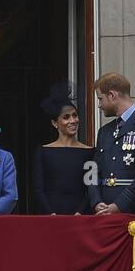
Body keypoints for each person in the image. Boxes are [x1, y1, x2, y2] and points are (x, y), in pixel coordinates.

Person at [89, 72, 135, 215]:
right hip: (105, 212)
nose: (99, 105)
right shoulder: (105, 132)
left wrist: (120, 205)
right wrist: (96, 201)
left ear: (112, 95)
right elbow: (93, 170)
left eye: (100, 99)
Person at [32, 82, 94, 214]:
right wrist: (50, 213)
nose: (73, 120)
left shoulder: (89, 152)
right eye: (66, 117)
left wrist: (81, 212)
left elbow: (92, 187)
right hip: (51, 219)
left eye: (75, 115)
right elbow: (38, 189)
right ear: (55, 123)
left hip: (81, 218)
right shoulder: (43, 152)